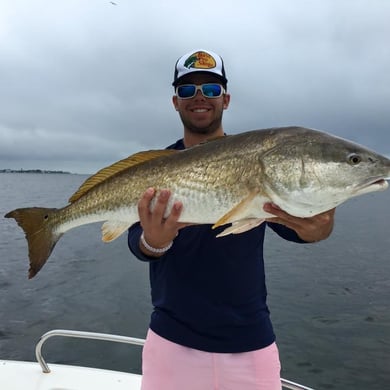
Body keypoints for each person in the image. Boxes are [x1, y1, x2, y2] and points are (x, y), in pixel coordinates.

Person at [128, 49, 335, 390]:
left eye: (210, 90)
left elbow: (301, 230)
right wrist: (155, 241)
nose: (199, 98)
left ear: (225, 99)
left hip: (250, 346)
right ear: (175, 102)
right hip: (170, 344)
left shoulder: (258, 159)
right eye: (187, 90)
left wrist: (320, 228)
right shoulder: (154, 169)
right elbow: (137, 240)